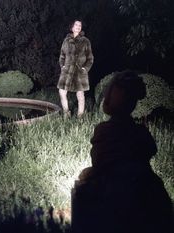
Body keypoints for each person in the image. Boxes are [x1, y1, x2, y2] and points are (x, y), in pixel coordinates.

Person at [71, 70, 173, 233]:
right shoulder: (139, 131)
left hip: (112, 189)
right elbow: (151, 150)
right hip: (141, 184)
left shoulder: (103, 131)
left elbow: (98, 161)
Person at [57, 20, 94, 118]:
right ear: (72, 27)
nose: (78, 26)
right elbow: (62, 55)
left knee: (80, 95)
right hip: (67, 71)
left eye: (80, 25)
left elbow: (90, 58)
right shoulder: (66, 40)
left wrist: (85, 69)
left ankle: (80, 116)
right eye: (76, 25)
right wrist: (62, 66)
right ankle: (66, 113)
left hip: (79, 72)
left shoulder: (85, 41)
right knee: (62, 92)